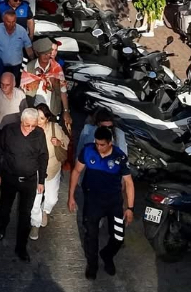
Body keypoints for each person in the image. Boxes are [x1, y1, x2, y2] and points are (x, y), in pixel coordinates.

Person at [68, 125, 134, 279]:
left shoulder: (120, 157)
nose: (98, 147)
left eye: (102, 144)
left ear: (110, 143)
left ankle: (107, 255)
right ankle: (92, 265)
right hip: (93, 201)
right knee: (91, 236)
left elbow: (129, 183)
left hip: (114, 202)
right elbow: (76, 171)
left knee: (118, 237)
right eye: (97, 143)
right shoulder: (88, 151)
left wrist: (130, 208)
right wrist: (71, 196)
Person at [0, 107, 48, 261]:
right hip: (9, 178)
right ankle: (1, 227)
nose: (30, 129)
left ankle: (21, 247)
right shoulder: (8, 130)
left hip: (29, 181)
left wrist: (41, 181)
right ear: (21, 121)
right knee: (4, 207)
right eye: (27, 125)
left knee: (25, 215)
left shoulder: (39, 134)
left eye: (33, 125)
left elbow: (43, 157)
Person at [29, 105, 70, 240]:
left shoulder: (54, 128)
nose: (38, 121)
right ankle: (35, 224)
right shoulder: (30, 128)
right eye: (37, 117)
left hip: (52, 170)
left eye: (42, 118)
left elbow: (67, 141)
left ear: (47, 119)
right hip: (35, 171)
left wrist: (58, 143)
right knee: (35, 199)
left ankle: (45, 211)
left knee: (52, 199)